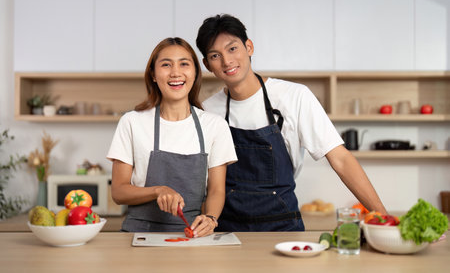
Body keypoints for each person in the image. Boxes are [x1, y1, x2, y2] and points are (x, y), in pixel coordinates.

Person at [196, 14, 387, 232]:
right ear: (207, 64)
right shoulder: (207, 110)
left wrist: (383, 217)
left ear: (249, 47)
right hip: (226, 231)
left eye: (232, 49)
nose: (227, 61)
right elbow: (204, 183)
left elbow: (341, 159)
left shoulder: (294, 96)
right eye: (215, 55)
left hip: (282, 228)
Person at [107, 37, 237, 237]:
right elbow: (118, 191)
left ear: (195, 72)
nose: (176, 72)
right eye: (166, 64)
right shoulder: (132, 122)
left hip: (191, 235)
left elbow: (216, 190)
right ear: (153, 74)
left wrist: (210, 218)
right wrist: (158, 190)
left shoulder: (215, 126)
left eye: (184, 64)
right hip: (138, 235)